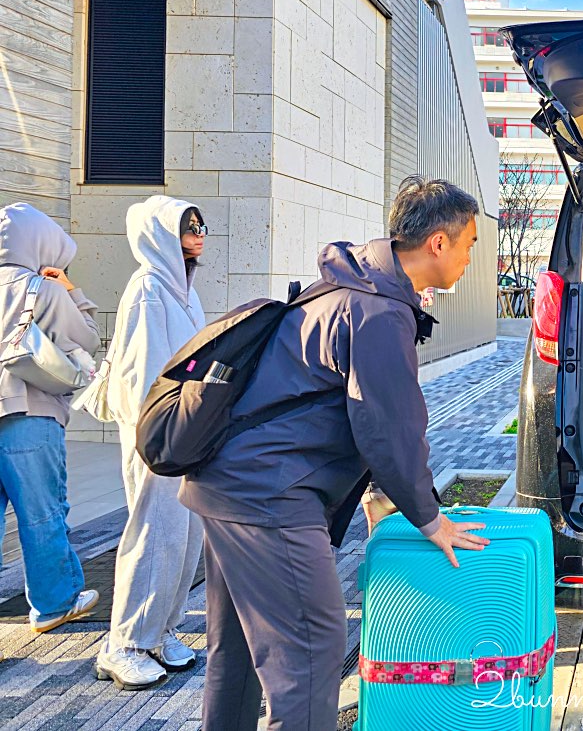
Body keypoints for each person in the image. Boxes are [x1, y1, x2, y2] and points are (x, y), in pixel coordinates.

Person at [180, 175, 490, 731]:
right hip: (269, 495)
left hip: (229, 482)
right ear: (438, 242)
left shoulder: (350, 288)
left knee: (239, 652)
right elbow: (388, 426)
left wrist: (381, 494)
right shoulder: (378, 310)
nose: (470, 258)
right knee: (311, 650)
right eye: (468, 244)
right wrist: (430, 517)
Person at [96, 196, 208, 689]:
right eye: (189, 226)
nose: (199, 234)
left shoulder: (183, 290)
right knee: (154, 532)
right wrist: (162, 433)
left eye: (200, 225)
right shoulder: (148, 288)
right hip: (157, 433)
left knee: (184, 535)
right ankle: (123, 644)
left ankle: (160, 631)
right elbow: (143, 374)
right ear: (161, 234)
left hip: (183, 430)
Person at [0, 202, 101, 633]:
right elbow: (88, 339)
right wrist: (71, 290)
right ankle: (54, 603)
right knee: (42, 512)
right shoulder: (42, 288)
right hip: (29, 412)